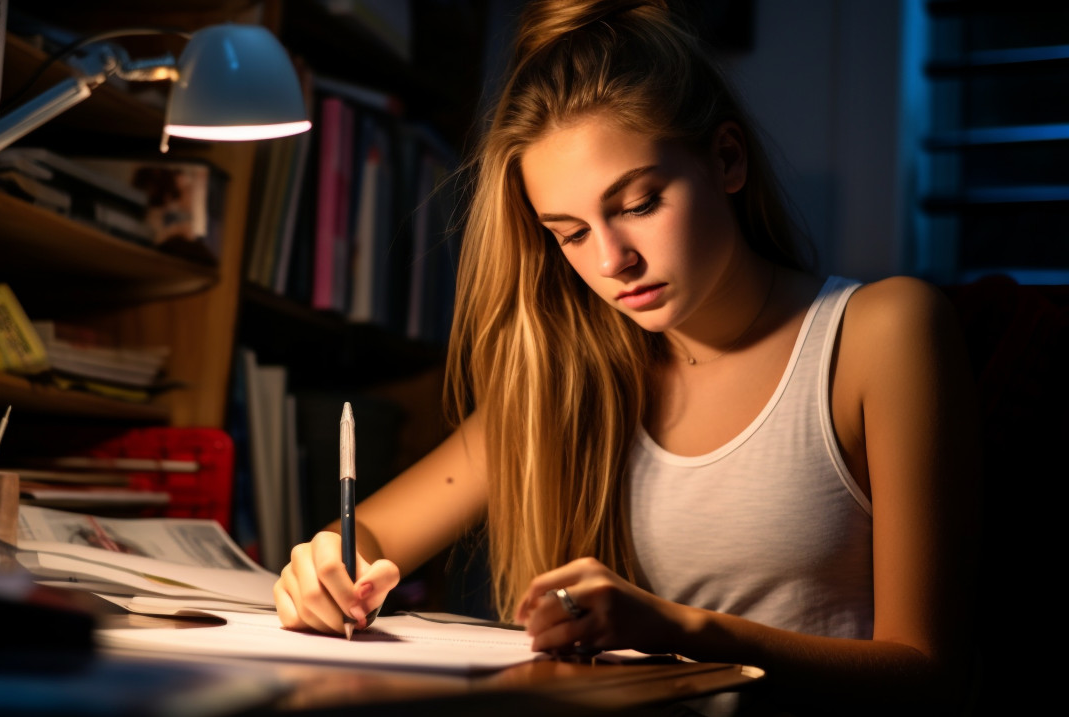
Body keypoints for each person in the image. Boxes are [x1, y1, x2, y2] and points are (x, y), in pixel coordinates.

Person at [273, 1, 979, 713]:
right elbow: (366, 536)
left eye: (639, 203)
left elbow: (928, 670)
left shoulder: (880, 333)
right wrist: (325, 567)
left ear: (726, 159)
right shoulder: (566, 381)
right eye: (571, 233)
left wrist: (683, 631)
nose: (615, 261)